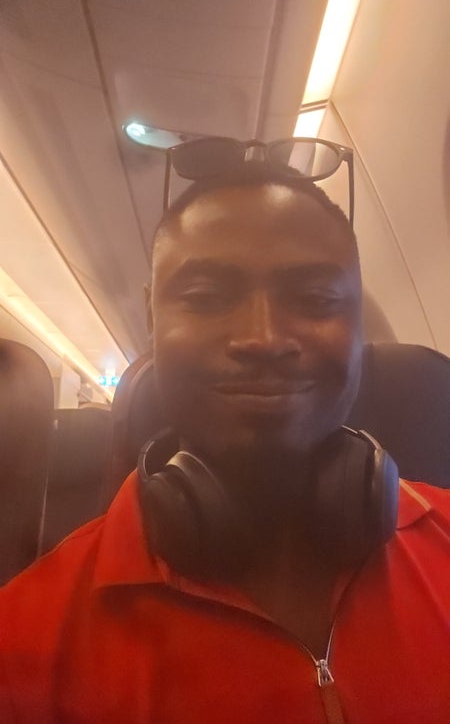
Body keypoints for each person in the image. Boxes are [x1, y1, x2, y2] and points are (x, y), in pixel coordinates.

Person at [0, 161, 448, 723]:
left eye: (315, 299)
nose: (263, 338)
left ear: (359, 320)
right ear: (152, 319)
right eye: (207, 297)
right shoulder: (24, 644)